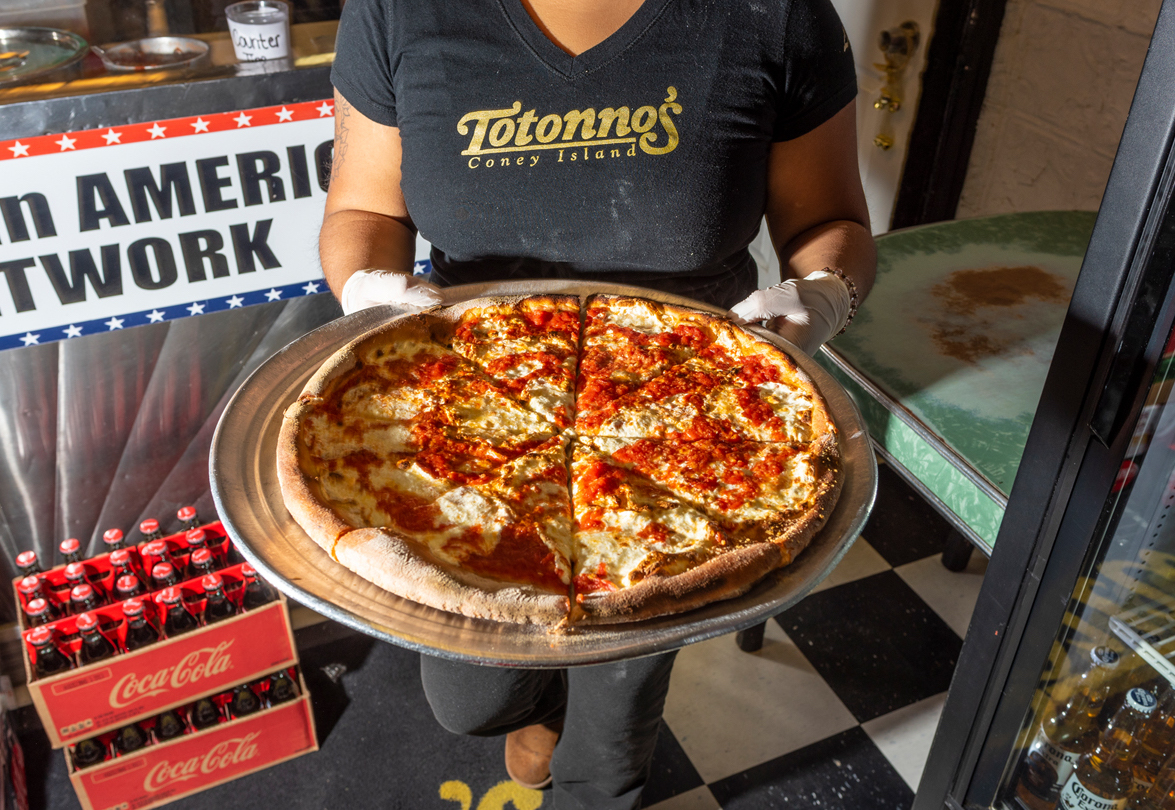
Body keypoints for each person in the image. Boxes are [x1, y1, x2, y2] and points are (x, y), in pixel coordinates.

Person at [319, 0, 877, 805]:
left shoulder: (776, 13)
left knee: (612, 737)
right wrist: (368, 287)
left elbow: (830, 219)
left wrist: (822, 292)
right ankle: (537, 705)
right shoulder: (395, 9)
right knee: (473, 702)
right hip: (466, 399)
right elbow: (364, 210)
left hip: (691, 412)